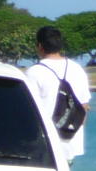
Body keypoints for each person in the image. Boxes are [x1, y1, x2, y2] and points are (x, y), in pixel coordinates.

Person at [25, 25, 92, 159]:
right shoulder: (77, 69)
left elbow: (28, 111)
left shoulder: (33, 72)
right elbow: (84, 108)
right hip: (70, 144)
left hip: (44, 146)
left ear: (40, 46)